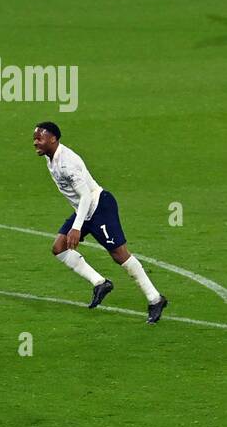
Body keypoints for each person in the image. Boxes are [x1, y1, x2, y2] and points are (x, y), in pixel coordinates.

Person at [32, 121, 167, 322]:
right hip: (84, 211)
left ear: (53, 139)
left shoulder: (66, 163)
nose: (35, 142)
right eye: (34, 138)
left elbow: (85, 195)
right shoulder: (51, 157)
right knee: (59, 247)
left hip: (99, 207)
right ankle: (100, 283)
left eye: (39, 138)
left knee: (120, 255)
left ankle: (155, 299)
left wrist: (76, 228)